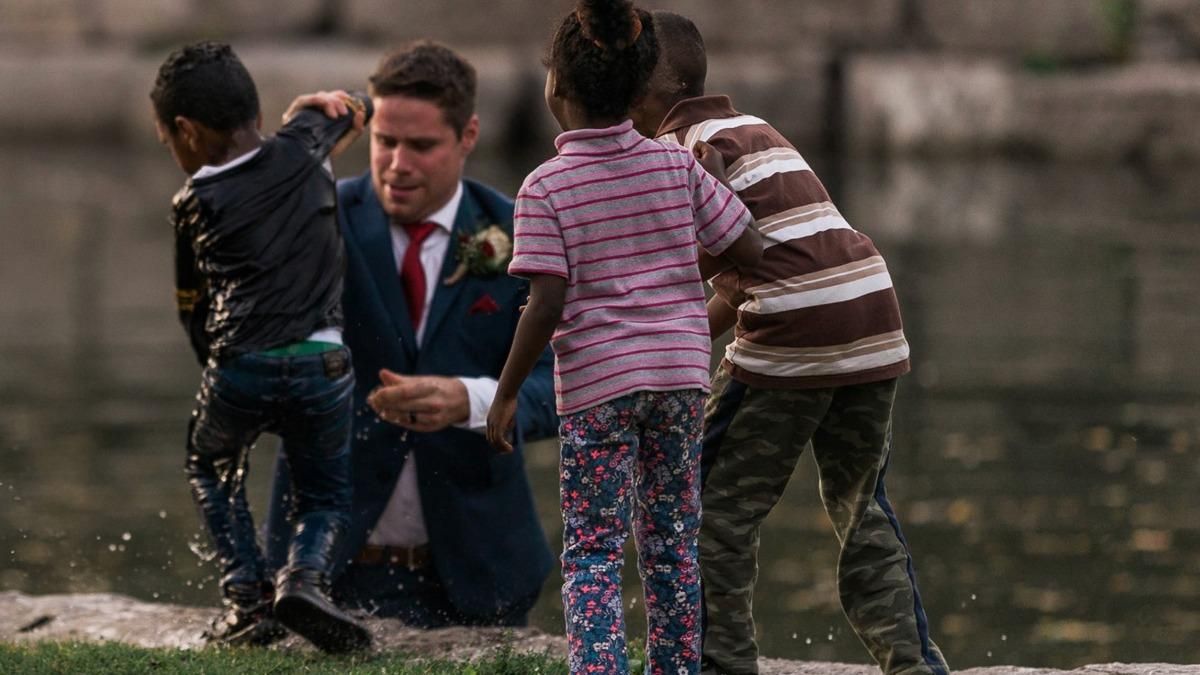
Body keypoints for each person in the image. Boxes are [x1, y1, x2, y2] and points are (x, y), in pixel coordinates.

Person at [628, 11, 951, 675]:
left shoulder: (675, 153)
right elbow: (750, 271)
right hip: (871, 314)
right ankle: (914, 664)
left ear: (641, 90)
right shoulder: (755, 129)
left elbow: (711, 263)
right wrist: (687, 326)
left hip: (795, 326)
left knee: (708, 506)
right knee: (863, 507)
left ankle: (721, 664)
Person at [485, 2, 762, 673]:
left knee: (592, 548)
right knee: (670, 538)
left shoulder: (544, 187)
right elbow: (746, 244)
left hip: (599, 386)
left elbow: (545, 301)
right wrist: (713, 191)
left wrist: (508, 391)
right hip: (679, 377)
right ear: (639, 92)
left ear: (557, 86)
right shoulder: (677, 167)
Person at [264, 40, 559, 628]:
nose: (398, 164)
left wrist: (475, 400)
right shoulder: (319, 218)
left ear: (468, 136)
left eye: (421, 146)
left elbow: (570, 384)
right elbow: (251, 302)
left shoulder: (520, 232)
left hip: (480, 573)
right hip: (323, 571)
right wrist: (289, 163)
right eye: (385, 142)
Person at [150, 41, 371, 652]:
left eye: (166, 138)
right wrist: (320, 105)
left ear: (187, 132)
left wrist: (216, 368)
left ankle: (247, 595)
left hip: (239, 364)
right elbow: (361, 105)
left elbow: (190, 304)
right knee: (323, 493)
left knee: (208, 464)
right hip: (324, 364)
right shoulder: (304, 142)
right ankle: (304, 578)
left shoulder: (192, 202)